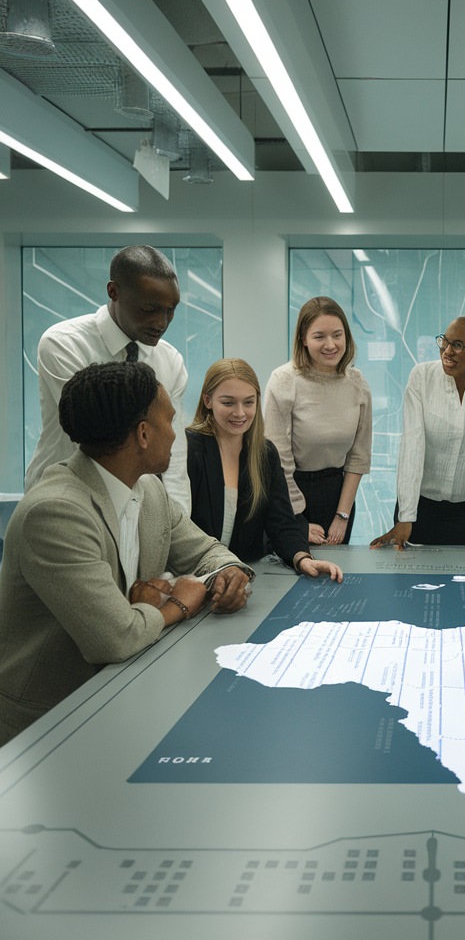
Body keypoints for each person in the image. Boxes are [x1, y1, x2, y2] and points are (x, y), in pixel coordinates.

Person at [0, 361, 252, 747]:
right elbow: (116, 638)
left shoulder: (148, 489)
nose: (176, 433)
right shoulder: (54, 512)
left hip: (124, 693)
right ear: (144, 434)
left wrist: (228, 573)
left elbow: (208, 552)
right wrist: (178, 604)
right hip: (50, 725)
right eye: (171, 420)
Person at [25, 244, 191, 513]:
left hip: (136, 506)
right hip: (65, 500)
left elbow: (174, 452)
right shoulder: (64, 344)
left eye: (170, 310)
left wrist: (177, 521)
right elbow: (97, 435)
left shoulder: (170, 361)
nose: (162, 322)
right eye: (149, 308)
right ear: (113, 292)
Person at [370, 315, 465, 549]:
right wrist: (405, 516)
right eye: (444, 342)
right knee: (412, 581)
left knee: (460, 581)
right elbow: (412, 448)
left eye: (457, 345)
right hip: (419, 506)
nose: (447, 351)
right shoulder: (421, 377)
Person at [187, 358, 342, 580]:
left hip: (245, 578)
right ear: (208, 401)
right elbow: (179, 528)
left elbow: (282, 522)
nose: (240, 413)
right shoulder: (189, 449)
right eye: (228, 403)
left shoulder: (265, 453)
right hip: (195, 576)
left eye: (248, 402)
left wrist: (302, 559)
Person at [264, 297, 371, 544]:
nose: (330, 345)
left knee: (336, 575)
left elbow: (359, 456)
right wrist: (297, 517)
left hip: (338, 496)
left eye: (337, 335)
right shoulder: (283, 380)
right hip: (290, 492)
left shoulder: (357, 383)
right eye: (319, 336)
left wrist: (342, 516)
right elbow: (278, 459)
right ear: (303, 338)